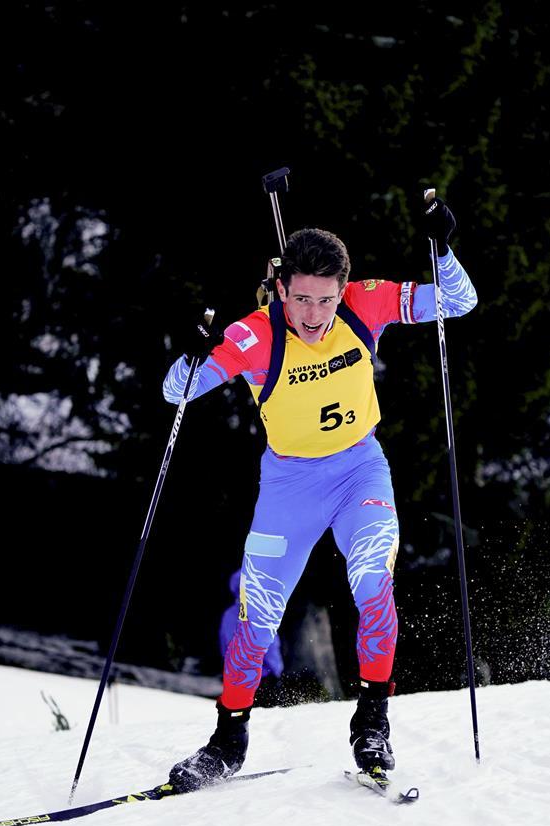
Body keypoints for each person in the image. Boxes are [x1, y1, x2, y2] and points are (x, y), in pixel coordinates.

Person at [162, 196, 477, 791]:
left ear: (343, 288)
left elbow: (459, 302)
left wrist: (444, 249)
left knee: (374, 589)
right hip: (290, 485)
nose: (314, 314)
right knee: (257, 619)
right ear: (281, 289)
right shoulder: (255, 336)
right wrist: (191, 354)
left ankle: (372, 724)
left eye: (326, 299)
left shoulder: (365, 304)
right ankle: (228, 740)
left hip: (361, 471)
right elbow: (176, 393)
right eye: (301, 298)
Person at [219, 568, 284, 686]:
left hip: (240, 676)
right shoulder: (258, 614)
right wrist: (275, 670)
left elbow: (225, 645)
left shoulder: (229, 615)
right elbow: (270, 645)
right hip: (261, 676)